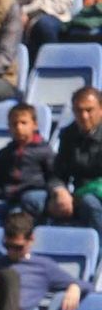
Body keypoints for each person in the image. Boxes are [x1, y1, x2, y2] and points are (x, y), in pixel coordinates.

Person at [0, 101, 55, 225]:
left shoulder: (44, 151)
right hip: (7, 200)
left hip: (29, 200)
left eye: (23, 123)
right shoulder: (4, 153)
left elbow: (52, 178)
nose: (19, 127)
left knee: (15, 216)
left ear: (34, 125)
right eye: (14, 124)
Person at [47, 85, 102, 236]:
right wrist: (59, 191)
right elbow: (58, 172)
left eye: (89, 110)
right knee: (36, 200)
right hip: (77, 195)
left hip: (93, 194)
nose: (84, 116)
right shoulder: (69, 135)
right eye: (79, 110)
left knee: (90, 203)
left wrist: (79, 195)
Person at [9, 0, 74, 55]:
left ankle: (49, 60)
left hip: (53, 15)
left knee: (44, 26)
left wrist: (26, 11)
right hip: (17, 12)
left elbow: (61, 4)